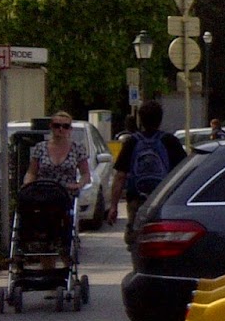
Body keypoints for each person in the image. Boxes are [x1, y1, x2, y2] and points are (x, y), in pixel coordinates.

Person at [108, 99, 187, 242]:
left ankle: (139, 260)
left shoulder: (131, 142)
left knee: (136, 238)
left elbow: (120, 176)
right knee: (162, 238)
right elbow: (183, 173)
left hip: (136, 200)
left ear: (140, 119)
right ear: (160, 119)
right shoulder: (170, 141)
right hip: (163, 200)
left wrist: (113, 206)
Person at [24, 111, 90, 198]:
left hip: (66, 196)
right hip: (42, 194)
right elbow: (31, 172)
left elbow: (85, 174)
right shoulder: (40, 147)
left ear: (70, 129)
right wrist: (27, 185)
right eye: (57, 125)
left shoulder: (77, 148)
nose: (61, 129)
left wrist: (79, 185)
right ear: (51, 126)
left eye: (65, 126)